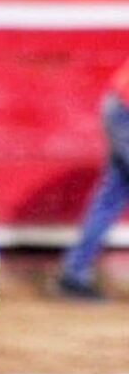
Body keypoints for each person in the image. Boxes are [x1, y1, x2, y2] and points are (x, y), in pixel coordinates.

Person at [58, 60, 129, 300]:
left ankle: (74, 273)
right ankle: (74, 272)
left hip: (118, 104)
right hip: (126, 112)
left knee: (111, 196)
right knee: (111, 196)